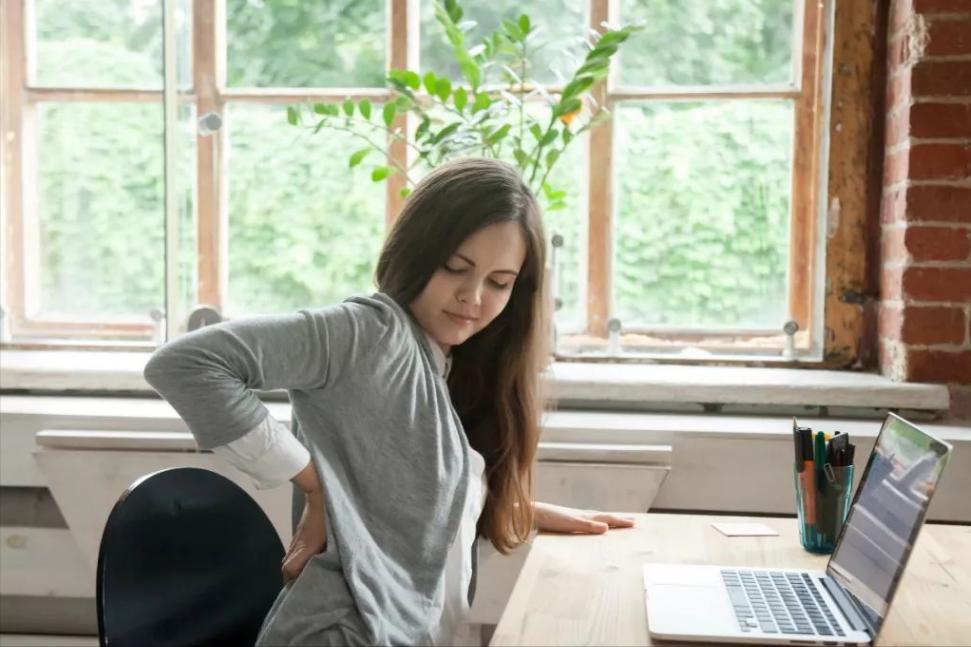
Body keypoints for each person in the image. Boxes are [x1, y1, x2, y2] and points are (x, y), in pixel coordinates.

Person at [143, 157, 634, 646]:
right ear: (416, 253)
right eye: (455, 268)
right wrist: (316, 485)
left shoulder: (441, 362)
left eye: (499, 283)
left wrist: (502, 505)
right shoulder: (366, 334)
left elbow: (403, 489)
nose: (473, 297)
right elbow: (184, 364)